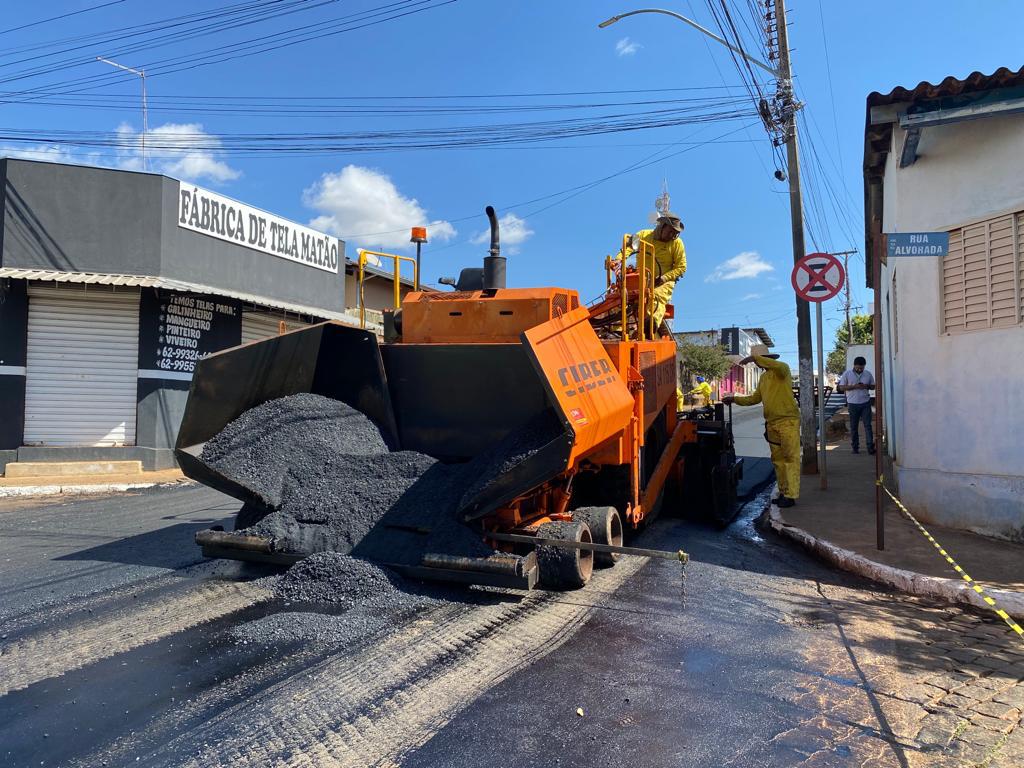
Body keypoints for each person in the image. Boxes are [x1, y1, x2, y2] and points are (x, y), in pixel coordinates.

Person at [722, 345, 800, 508]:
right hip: (772, 423)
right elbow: (754, 399)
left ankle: (791, 495)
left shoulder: (782, 370)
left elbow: (776, 366)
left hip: (788, 421)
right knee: (778, 460)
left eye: (759, 360)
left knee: (790, 458)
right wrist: (735, 399)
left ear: (767, 359)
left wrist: (754, 358)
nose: (757, 364)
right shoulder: (764, 379)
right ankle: (784, 492)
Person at [635, 212, 687, 333]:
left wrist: (663, 278)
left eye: (675, 233)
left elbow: (681, 267)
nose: (672, 235)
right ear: (662, 226)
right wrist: (617, 260)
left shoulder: (677, 243)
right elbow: (628, 246)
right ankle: (615, 330)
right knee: (620, 296)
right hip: (642, 279)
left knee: (656, 297)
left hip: (664, 281)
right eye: (670, 231)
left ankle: (650, 325)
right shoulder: (643, 235)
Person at [837, 356, 875, 454]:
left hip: (865, 403)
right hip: (852, 404)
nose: (859, 370)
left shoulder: (868, 374)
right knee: (854, 427)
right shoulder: (847, 374)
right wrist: (854, 387)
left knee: (868, 425)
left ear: (864, 366)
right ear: (854, 365)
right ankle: (855, 447)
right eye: (858, 367)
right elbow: (841, 388)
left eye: (861, 368)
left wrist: (866, 386)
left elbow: (873, 386)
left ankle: (870, 447)